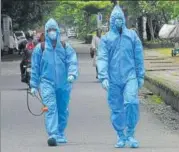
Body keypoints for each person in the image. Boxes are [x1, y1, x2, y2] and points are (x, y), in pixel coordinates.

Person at [97, 5, 145, 148]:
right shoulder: (106, 39)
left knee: (131, 102)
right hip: (113, 79)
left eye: (120, 18)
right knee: (117, 108)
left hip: (130, 76)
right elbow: (102, 58)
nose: (118, 21)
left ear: (123, 20)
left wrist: (140, 75)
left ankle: (130, 133)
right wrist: (103, 77)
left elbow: (138, 56)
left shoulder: (132, 36)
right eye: (115, 19)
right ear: (112, 21)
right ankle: (121, 135)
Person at [30, 18, 78, 146]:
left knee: (62, 109)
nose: (52, 32)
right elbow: (35, 67)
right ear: (46, 32)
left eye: (54, 30)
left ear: (57, 31)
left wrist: (72, 74)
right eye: (49, 30)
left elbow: (72, 61)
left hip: (64, 83)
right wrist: (34, 85)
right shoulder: (40, 48)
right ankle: (52, 134)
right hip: (47, 83)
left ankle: (60, 132)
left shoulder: (65, 46)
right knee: (50, 108)